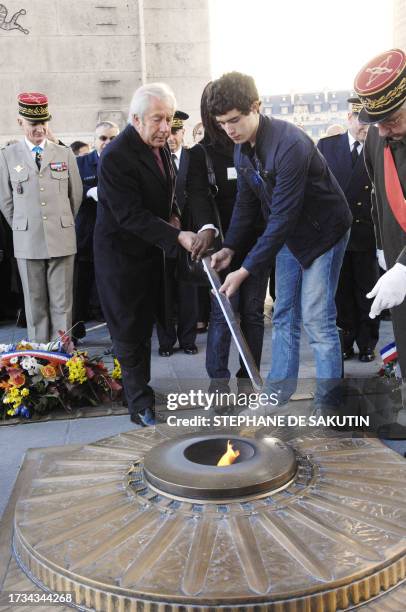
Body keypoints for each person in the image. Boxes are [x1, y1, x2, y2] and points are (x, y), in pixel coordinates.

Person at [207, 72, 352, 407]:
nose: (229, 130)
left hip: (325, 232)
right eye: (222, 123)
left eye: (235, 120)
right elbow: (246, 205)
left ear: (255, 106)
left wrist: (245, 270)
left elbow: (282, 218)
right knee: (285, 312)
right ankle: (277, 393)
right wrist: (230, 248)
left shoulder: (291, 145)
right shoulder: (242, 150)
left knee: (317, 317)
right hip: (290, 234)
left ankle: (328, 406)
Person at [94, 83, 198, 427]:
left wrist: (175, 216)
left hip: (150, 252)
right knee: (129, 329)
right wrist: (175, 234)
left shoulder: (160, 147)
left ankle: (141, 389)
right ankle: (138, 405)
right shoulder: (116, 156)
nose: (166, 128)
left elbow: (164, 193)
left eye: (168, 119)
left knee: (146, 324)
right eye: (158, 119)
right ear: (135, 119)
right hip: (121, 259)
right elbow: (129, 215)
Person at [188, 82, 267, 393]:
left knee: (252, 313)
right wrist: (208, 228)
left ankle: (249, 378)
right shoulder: (200, 154)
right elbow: (198, 197)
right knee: (224, 313)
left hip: (256, 241)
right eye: (219, 117)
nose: (227, 125)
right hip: (221, 246)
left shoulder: (251, 145)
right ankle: (218, 384)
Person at [0, 92, 82, 343]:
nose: (40, 129)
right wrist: (26, 225)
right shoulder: (7, 155)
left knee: (62, 304)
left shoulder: (63, 153)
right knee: (35, 305)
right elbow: (6, 200)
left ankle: (63, 358)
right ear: (20, 123)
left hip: (61, 237)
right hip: (28, 240)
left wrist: (60, 221)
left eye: (44, 122)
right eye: (34, 124)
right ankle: (40, 358)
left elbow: (74, 196)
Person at [354, 48, 406, 435]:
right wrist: (382, 250)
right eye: (377, 122)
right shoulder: (377, 136)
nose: (383, 130)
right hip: (397, 274)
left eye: (393, 120)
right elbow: (377, 195)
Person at [318, 98, 380, 362]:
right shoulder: (327, 147)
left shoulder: (379, 147)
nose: (364, 126)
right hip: (337, 233)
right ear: (349, 117)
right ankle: (346, 339)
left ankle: (367, 342)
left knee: (367, 291)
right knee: (341, 292)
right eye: (360, 120)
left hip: (367, 232)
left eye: (369, 121)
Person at [156, 111, 199, 356]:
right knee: (164, 292)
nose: (171, 137)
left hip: (190, 235)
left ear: (183, 132)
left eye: (176, 131)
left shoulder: (194, 158)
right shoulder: (157, 158)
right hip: (164, 237)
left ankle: (188, 339)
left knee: (188, 290)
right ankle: (165, 342)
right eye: (168, 132)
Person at [72, 121, 119, 340]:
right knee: (79, 289)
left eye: (112, 138)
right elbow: (69, 192)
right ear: (94, 141)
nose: (107, 143)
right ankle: (74, 332)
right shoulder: (80, 163)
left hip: (113, 239)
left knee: (111, 291)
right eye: (103, 138)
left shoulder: (124, 163)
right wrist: (89, 191)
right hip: (85, 238)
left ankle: (116, 335)